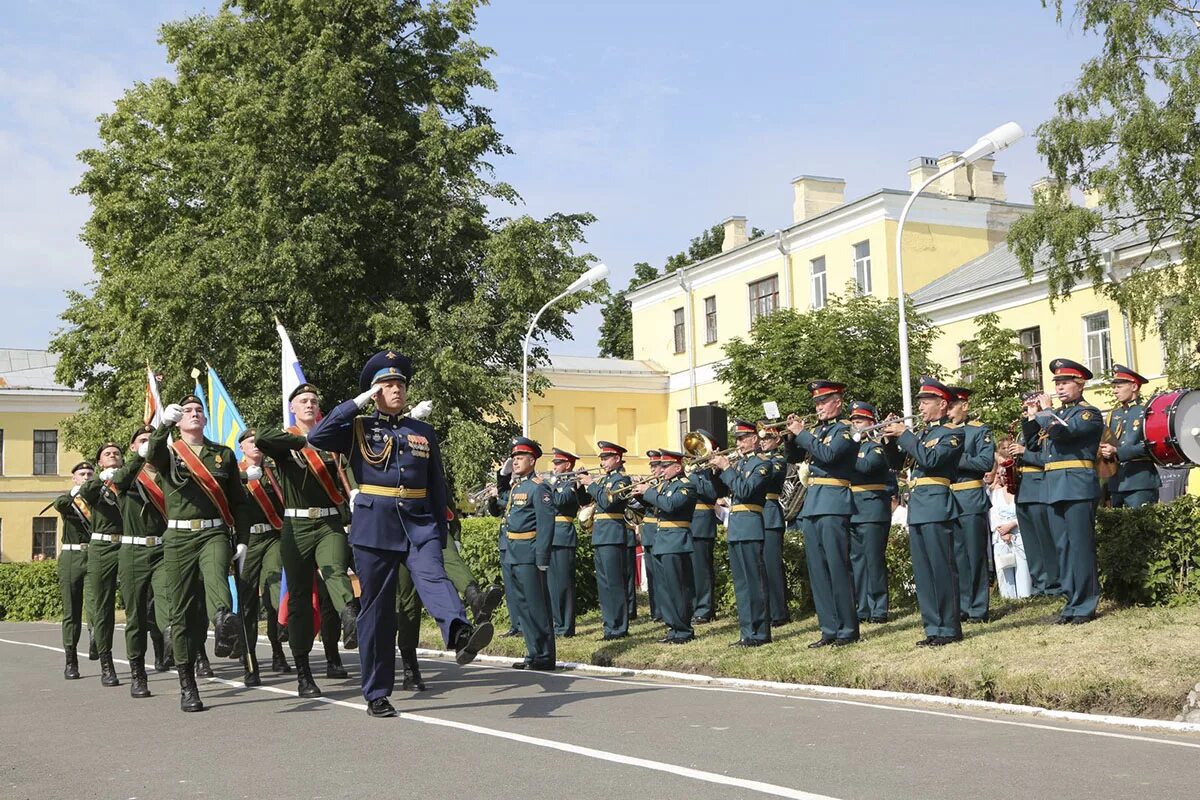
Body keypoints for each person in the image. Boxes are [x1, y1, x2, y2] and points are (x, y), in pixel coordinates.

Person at [306, 350, 492, 718]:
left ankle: (458, 632)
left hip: (419, 522)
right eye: (388, 384)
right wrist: (355, 404)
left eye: (400, 384)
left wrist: (441, 529)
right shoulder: (357, 427)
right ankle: (376, 692)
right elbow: (317, 435)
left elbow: (436, 482)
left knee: (434, 576)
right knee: (377, 612)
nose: (396, 390)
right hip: (375, 527)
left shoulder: (421, 431)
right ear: (375, 391)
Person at [255, 383, 361, 697]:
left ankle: (349, 614)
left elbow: (351, 465)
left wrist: (354, 492)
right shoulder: (285, 440)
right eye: (303, 401)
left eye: (314, 400)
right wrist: (304, 440)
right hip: (296, 525)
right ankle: (303, 671)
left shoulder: (332, 442)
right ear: (293, 408)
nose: (310, 405)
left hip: (329, 520)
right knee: (300, 600)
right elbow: (261, 438)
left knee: (334, 569)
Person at [147, 394, 251, 712]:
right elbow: (148, 455)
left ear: (205, 419)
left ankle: (222, 621)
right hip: (178, 536)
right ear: (179, 420)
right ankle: (187, 684)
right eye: (187, 411)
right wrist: (162, 424)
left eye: (198, 411)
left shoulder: (223, 455)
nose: (194, 414)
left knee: (217, 572)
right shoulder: (168, 451)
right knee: (181, 614)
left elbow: (239, 501)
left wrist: (243, 539)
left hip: (214, 531)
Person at [1011, 359, 1103, 624]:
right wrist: (1032, 416)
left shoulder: (1088, 413)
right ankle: (1071, 603)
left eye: (1065, 383)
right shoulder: (1055, 416)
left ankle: (1085, 604)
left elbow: (1063, 433)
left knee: (1080, 547)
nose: (1060, 388)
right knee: (1062, 548)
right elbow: (1033, 445)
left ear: (1080, 384)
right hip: (1054, 487)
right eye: (1057, 384)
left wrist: (1046, 412)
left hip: (1076, 486)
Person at [882, 377, 964, 647]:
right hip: (918, 506)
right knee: (924, 573)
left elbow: (930, 460)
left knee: (941, 569)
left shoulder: (952, 433)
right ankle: (932, 627)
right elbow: (896, 463)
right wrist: (889, 439)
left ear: (942, 404)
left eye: (926, 401)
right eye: (919, 402)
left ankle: (949, 627)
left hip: (937, 506)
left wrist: (905, 434)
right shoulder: (923, 435)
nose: (921, 407)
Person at [786, 382, 859, 648]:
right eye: (816, 403)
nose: (818, 407)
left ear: (837, 402)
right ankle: (828, 628)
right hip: (814, 503)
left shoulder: (847, 430)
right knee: (818, 570)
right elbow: (792, 458)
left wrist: (804, 434)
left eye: (824, 402)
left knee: (837, 567)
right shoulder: (819, 431)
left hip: (834, 501)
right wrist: (792, 436)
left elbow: (828, 455)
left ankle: (848, 628)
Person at [107, 426, 172, 696]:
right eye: (142, 441)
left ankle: (171, 642)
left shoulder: (171, 473)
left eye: (152, 440)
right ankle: (137, 672)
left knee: (168, 598)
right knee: (135, 616)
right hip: (133, 552)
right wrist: (140, 458)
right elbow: (120, 481)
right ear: (133, 447)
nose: (149, 443)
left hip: (164, 549)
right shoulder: (128, 476)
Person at [710, 420, 771, 647]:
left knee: (755, 582)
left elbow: (744, 491)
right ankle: (747, 631)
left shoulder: (762, 464)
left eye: (743, 438)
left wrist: (726, 468)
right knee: (742, 584)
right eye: (736, 439)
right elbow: (717, 492)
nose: (739, 443)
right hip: (736, 527)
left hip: (750, 525)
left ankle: (761, 632)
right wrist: (715, 471)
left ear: (755, 438)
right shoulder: (740, 465)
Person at [236, 429, 289, 686]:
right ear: (242, 449)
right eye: (250, 442)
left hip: (272, 537)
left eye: (258, 443)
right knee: (247, 604)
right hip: (246, 542)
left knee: (274, 588)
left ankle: (278, 650)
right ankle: (250, 661)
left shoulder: (273, 472)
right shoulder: (234, 473)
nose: (255, 446)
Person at [500, 437, 556, 670]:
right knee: (522, 605)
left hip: (530, 554)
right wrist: (501, 476)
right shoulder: (518, 486)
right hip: (514, 552)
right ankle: (533, 652)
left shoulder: (538, 487)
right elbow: (502, 504)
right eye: (514, 458)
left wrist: (542, 558)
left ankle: (544, 655)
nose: (515, 461)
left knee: (536, 605)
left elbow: (546, 524)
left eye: (520, 457)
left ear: (532, 461)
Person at [79, 442, 128, 688]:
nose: (112, 456)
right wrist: (100, 478)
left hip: (129, 544)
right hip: (102, 547)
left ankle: (155, 654)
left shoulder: (128, 480)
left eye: (117, 454)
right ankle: (106, 664)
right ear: (100, 462)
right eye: (107, 454)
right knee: (102, 606)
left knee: (139, 599)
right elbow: (86, 493)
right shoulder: (95, 485)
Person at [637, 449, 697, 643]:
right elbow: (655, 508)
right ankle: (672, 627)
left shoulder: (686, 486)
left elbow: (670, 505)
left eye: (665, 466)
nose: (661, 470)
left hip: (676, 540)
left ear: (677, 467)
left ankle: (684, 629)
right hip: (662, 540)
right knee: (664, 588)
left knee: (678, 587)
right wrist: (640, 495)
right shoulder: (666, 486)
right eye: (661, 466)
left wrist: (649, 492)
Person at [947, 387, 996, 624]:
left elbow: (986, 462)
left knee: (974, 555)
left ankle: (977, 607)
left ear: (964, 406)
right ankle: (962, 606)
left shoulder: (979, 431)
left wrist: (954, 457)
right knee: (956, 557)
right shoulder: (941, 431)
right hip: (947, 499)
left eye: (951, 406)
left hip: (969, 497)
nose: (947, 411)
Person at [578, 442, 632, 641]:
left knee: (614, 583)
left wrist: (591, 484)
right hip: (600, 535)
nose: (602, 462)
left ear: (617, 459)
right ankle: (609, 626)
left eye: (606, 458)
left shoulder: (622, 480)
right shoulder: (603, 480)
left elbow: (608, 502)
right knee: (604, 584)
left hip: (612, 534)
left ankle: (619, 627)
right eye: (601, 458)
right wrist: (580, 487)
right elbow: (586, 502)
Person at [1010, 392, 1060, 598]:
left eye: (1033, 404)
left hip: (1040, 486)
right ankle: (1039, 585)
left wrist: (1024, 453)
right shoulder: (1026, 426)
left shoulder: (1050, 425)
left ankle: (1054, 585)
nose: (1028, 408)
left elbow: (1048, 458)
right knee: (1031, 542)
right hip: (1023, 489)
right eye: (1027, 404)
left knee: (1045, 540)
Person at [848, 401, 891, 624]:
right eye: (853, 421)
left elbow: (866, 467)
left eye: (860, 421)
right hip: (854, 509)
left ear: (871, 423)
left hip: (872, 509)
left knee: (874, 560)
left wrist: (845, 453)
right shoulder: (853, 447)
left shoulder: (875, 447)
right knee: (857, 561)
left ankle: (879, 607)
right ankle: (862, 607)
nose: (856, 425)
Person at [51, 461, 95, 680]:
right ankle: (71, 660)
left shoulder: (98, 498)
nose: (86, 476)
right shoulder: (68, 499)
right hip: (71, 557)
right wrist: (75, 493)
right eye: (82, 474)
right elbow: (58, 504)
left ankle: (97, 640)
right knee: (72, 611)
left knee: (95, 603)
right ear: (74, 478)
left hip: (94, 555)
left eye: (89, 473)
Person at [1101, 364, 1160, 509]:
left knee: (1141, 529)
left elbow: (1152, 445)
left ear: (1133, 387)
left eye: (1119, 386)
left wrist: (1117, 452)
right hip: (1116, 483)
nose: (1114, 391)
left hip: (1140, 481)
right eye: (1114, 387)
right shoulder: (1113, 415)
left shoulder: (1148, 412)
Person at [546, 448, 587, 636]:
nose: (554, 467)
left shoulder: (570, 483)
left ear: (567, 465)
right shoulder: (559, 482)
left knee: (564, 584)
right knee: (553, 585)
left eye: (557, 463)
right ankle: (557, 623)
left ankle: (566, 626)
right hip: (551, 535)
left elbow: (561, 501)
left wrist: (550, 486)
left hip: (563, 535)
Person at [687, 430, 724, 624]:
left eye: (702, 445)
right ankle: (693, 607)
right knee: (690, 569)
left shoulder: (713, 471)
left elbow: (712, 493)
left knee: (701, 569)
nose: (698, 449)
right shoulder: (696, 469)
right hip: (688, 522)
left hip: (702, 521)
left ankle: (705, 609)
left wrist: (693, 477)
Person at [758, 425, 791, 627]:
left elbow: (769, 477)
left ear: (777, 440)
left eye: (768, 438)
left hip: (770, 513)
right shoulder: (755, 460)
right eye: (761, 439)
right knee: (759, 568)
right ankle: (765, 610)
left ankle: (780, 612)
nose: (763, 442)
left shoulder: (777, 460)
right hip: (755, 515)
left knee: (772, 567)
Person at [988, 450, 1031, 599]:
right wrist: (1001, 530)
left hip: (1018, 534)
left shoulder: (1020, 492)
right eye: (1000, 475)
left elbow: (1025, 513)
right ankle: (1009, 599)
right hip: (1001, 536)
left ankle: (1024, 597)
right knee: (1004, 571)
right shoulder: (995, 493)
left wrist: (1012, 525)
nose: (1003, 478)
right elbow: (993, 515)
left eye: (1005, 475)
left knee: (1022, 570)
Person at [639, 450, 663, 623]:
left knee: (661, 574)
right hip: (648, 531)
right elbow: (647, 506)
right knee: (652, 574)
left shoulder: (664, 486)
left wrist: (647, 492)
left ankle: (664, 611)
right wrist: (639, 496)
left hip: (658, 530)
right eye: (652, 466)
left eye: (656, 466)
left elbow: (661, 504)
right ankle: (656, 610)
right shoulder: (654, 485)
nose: (653, 470)